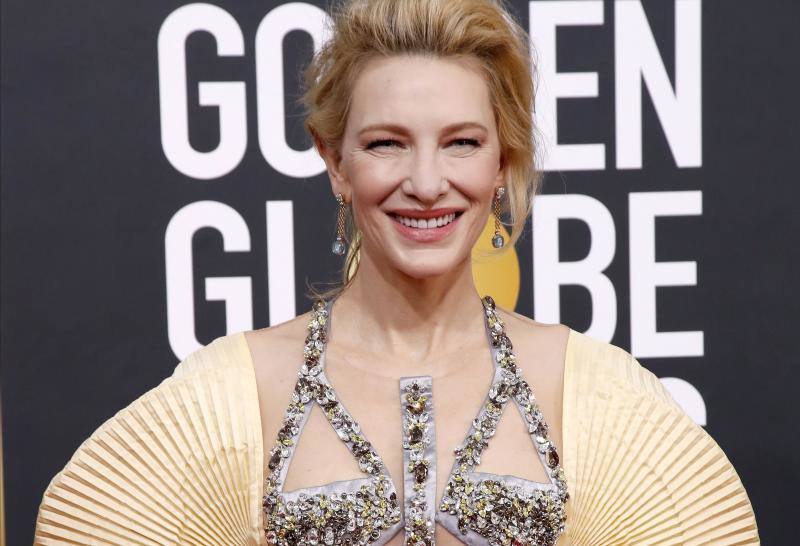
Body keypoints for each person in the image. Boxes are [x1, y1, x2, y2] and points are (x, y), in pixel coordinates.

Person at [35, 0, 759, 544]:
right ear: (334, 162)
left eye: (461, 143)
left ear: (501, 163)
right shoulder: (237, 392)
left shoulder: (590, 390)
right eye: (386, 143)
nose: (425, 181)